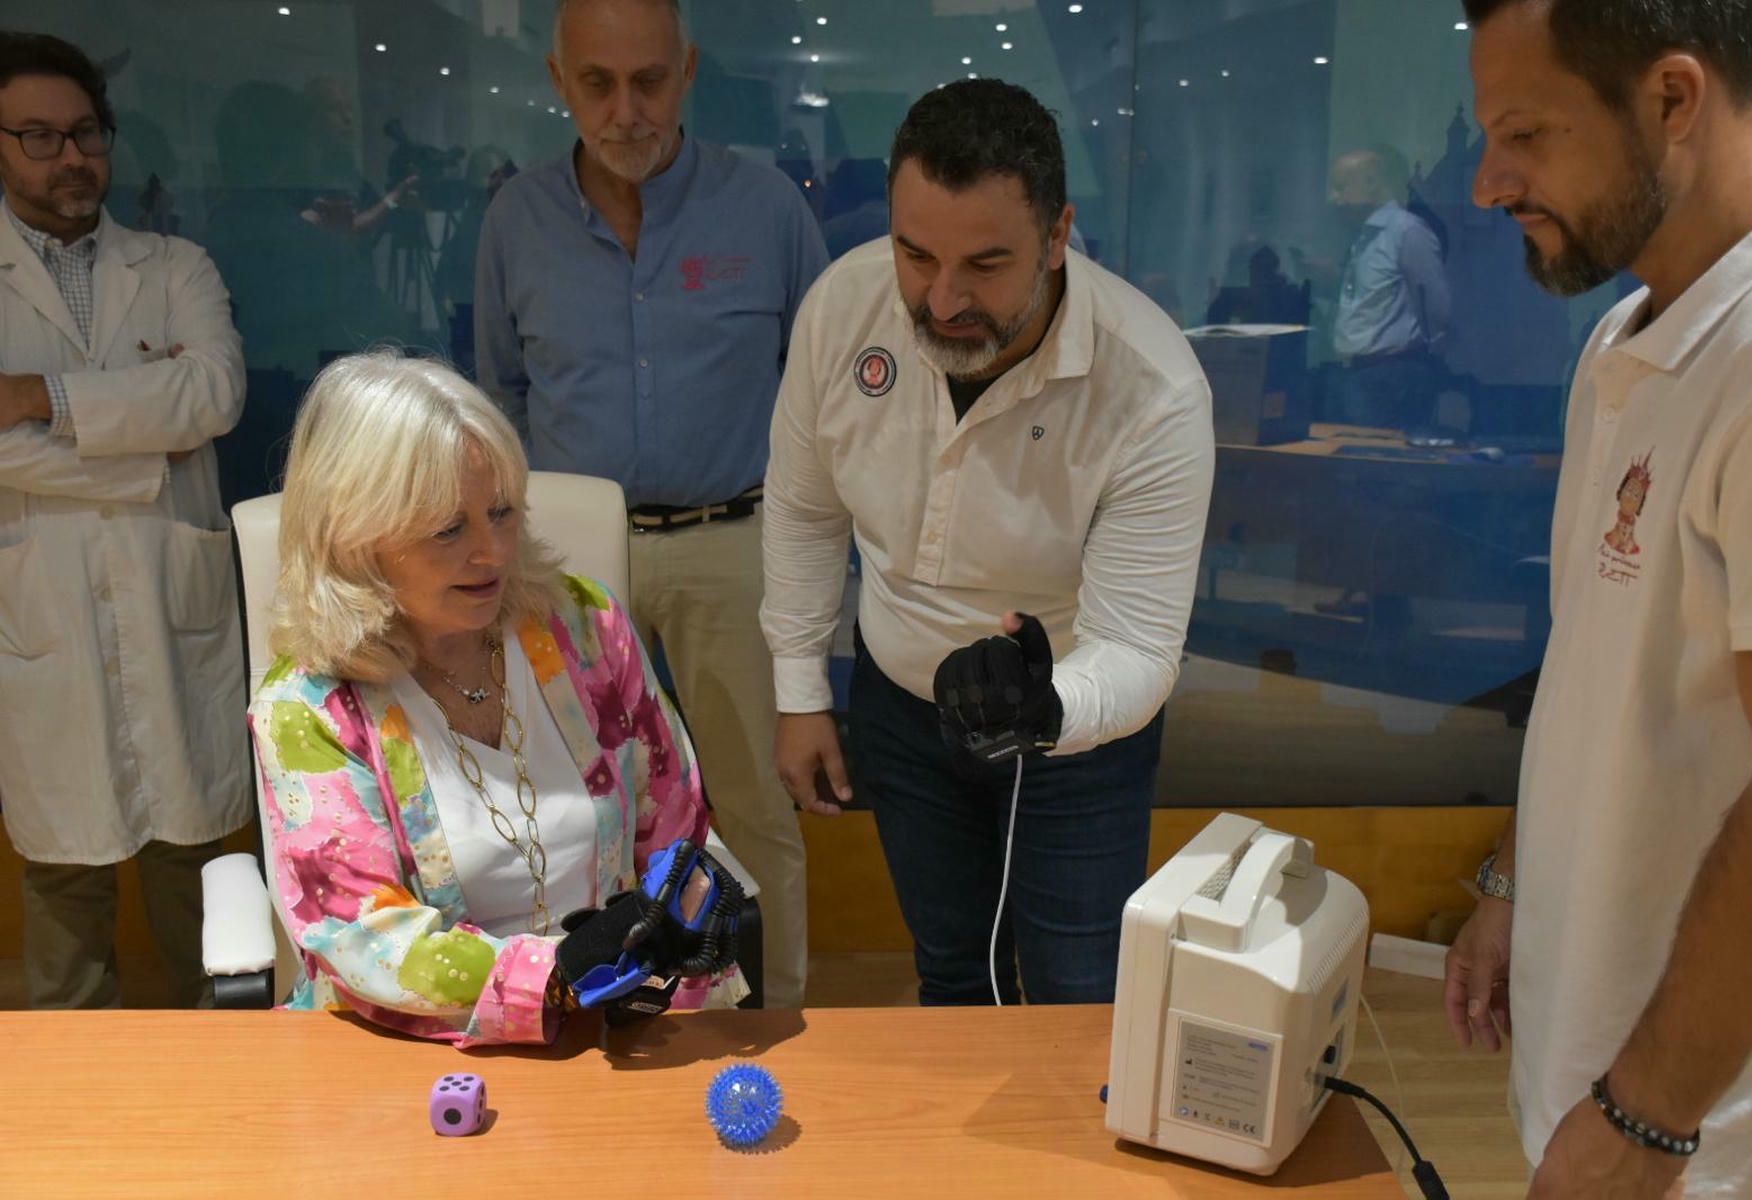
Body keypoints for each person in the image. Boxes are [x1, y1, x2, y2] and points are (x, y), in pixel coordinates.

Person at [1444, 2, 1752, 1196]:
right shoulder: (1621, 342)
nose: (1490, 183)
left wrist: (1648, 1119)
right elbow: (1604, 667)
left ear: (1672, 99)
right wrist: (1513, 880)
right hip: (1596, 1044)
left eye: (1525, 134)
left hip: (1711, 1126)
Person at [761, 79, 1214, 1006]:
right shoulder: (843, 308)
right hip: (900, 705)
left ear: (1057, 237)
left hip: (1078, 724)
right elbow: (807, 510)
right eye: (915, 254)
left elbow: (1138, 645)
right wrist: (801, 690)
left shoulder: (1152, 387)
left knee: (1077, 990)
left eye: (987, 263)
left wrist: (1046, 707)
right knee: (951, 969)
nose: (942, 298)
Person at [475, 0, 826, 1009]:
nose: (625, 109)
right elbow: (502, 398)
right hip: (571, 561)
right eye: (597, 83)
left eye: (649, 80)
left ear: (688, 71)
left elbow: (819, 397)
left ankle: (772, 1012)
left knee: (754, 805)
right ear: (557, 79)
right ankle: (614, 1002)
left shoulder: (763, 210)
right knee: (586, 802)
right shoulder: (516, 220)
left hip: (734, 545)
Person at [247, 352, 745, 1047]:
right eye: (448, 529)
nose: (494, 552)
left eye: (502, 512)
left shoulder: (584, 628)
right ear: (352, 539)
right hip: (406, 1055)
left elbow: (674, 826)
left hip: (620, 1028)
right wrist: (562, 974)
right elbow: (365, 937)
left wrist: (677, 947)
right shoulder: (308, 706)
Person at [0, 32, 248, 1010]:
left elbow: (214, 393)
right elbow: (177, 417)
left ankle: (233, 1095)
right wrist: (146, 444)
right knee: (64, 869)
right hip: (45, 619)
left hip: (167, 607)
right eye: (39, 136)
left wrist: (39, 399)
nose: (73, 156)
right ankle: (73, 1128)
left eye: (87, 132)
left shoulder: (175, 263)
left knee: (200, 859)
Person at [1328, 146, 1452, 431]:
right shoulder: (1365, 235)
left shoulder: (1408, 232)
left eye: (1341, 187)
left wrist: (1421, 363)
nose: (1334, 198)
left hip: (1392, 378)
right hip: (1357, 376)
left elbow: (1436, 306)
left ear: (1372, 182)